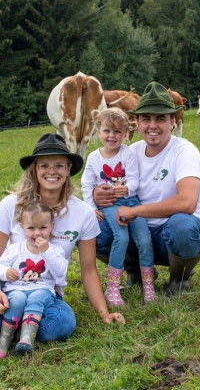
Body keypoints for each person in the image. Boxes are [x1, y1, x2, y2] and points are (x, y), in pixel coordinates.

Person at [0, 133, 125, 344]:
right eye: (44, 165)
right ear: (35, 170)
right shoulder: (10, 205)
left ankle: (14, 326)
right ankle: (21, 325)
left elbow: (88, 269)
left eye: (59, 165)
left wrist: (104, 312)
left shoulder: (83, 212)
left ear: (68, 170)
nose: (52, 171)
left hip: (46, 293)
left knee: (61, 325)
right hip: (10, 290)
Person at [94, 82, 200, 294]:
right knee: (92, 228)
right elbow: (106, 181)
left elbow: (187, 202)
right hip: (137, 234)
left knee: (183, 226)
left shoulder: (184, 151)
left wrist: (134, 211)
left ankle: (179, 278)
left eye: (160, 118)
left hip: (170, 235)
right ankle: (136, 271)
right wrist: (97, 193)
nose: (152, 125)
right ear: (136, 122)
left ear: (172, 121)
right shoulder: (130, 152)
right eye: (146, 118)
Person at [81, 108, 155, 304]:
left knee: (144, 239)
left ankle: (148, 284)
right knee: (121, 237)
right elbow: (86, 184)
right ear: (98, 132)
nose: (111, 136)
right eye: (107, 131)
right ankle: (112, 287)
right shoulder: (93, 158)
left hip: (131, 202)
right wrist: (91, 207)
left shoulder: (127, 153)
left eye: (117, 132)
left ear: (124, 134)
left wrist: (128, 188)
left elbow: (134, 178)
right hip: (110, 204)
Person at [0, 201, 68, 357]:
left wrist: (47, 251)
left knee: (37, 297)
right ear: (22, 227)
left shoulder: (56, 250)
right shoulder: (15, 248)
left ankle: (26, 339)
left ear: (51, 226)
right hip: (16, 288)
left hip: (42, 289)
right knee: (16, 299)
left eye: (43, 228)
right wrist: (5, 273)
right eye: (31, 228)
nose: (37, 233)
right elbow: (1, 264)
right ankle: (5, 339)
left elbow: (60, 273)